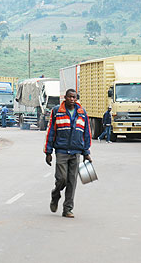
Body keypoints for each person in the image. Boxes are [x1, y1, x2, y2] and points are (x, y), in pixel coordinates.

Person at [44, 89, 92, 218]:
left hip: (76, 152)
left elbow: (86, 133)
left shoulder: (82, 113)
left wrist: (86, 152)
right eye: (69, 97)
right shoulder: (56, 111)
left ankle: (68, 209)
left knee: (72, 182)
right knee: (62, 179)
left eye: (74, 97)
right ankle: (55, 195)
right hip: (61, 151)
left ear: (76, 98)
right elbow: (51, 132)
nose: (72, 99)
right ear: (65, 97)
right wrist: (48, 152)